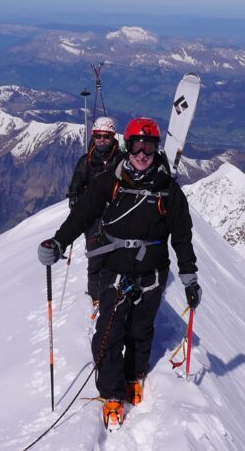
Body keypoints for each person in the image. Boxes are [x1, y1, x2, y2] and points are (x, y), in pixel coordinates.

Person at [39, 117, 202, 429]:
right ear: (127, 147)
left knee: (140, 332)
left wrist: (189, 277)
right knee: (108, 335)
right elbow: (83, 214)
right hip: (114, 272)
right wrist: (59, 242)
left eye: (149, 146)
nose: (142, 153)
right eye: (137, 145)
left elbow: (182, 237)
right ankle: (112, 393)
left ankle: (133, 375)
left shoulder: (168, 192)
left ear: (156, 150)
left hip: (152, 275)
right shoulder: (109, 182)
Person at [65, 116, 121, 303]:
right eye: (98, 136)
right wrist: (78, 205)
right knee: (95, 256)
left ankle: (114, 293)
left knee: (116, 256)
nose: (102, 140)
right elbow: (74, 189)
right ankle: (96, 298)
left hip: (117, 215)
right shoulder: (86, 162)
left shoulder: (122, 160)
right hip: (93, 218)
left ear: (113, 136)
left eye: (106, 136)